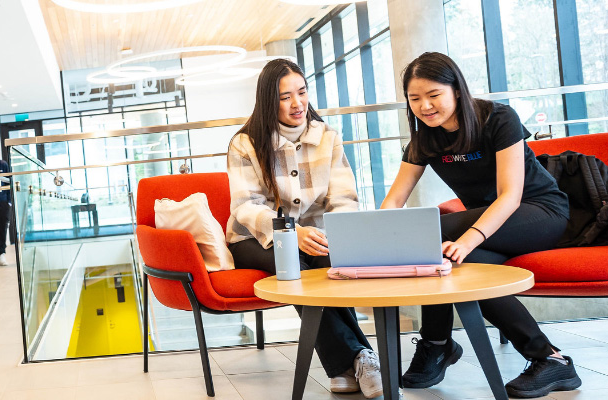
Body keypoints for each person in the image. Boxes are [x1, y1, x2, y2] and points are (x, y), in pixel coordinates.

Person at [380, 52, 581, 398]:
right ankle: (549, 360)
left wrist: (469, 238)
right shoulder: (425, 138)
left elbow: (510, 195)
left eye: (434, 95)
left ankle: (434, 342)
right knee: (459, 267)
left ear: (456, 89)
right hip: (491, 225)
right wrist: (374, 238)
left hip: (540, 213)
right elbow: (394, 201)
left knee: (433, 233)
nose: (425, 106)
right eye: (415, 99)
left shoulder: (498, 118)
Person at [225, 58, 382, 398]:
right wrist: (289, 232)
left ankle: (343, 367)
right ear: (269, 100)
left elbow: (344, 198)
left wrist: (339, 234)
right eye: (285, 97)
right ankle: (359, 356)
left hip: (317, 235)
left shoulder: (327, 137)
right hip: (255, 238)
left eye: (302, 92)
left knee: (329, 264)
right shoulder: (245, 143)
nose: (297, 104)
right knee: (294, 264)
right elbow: (245, 207)